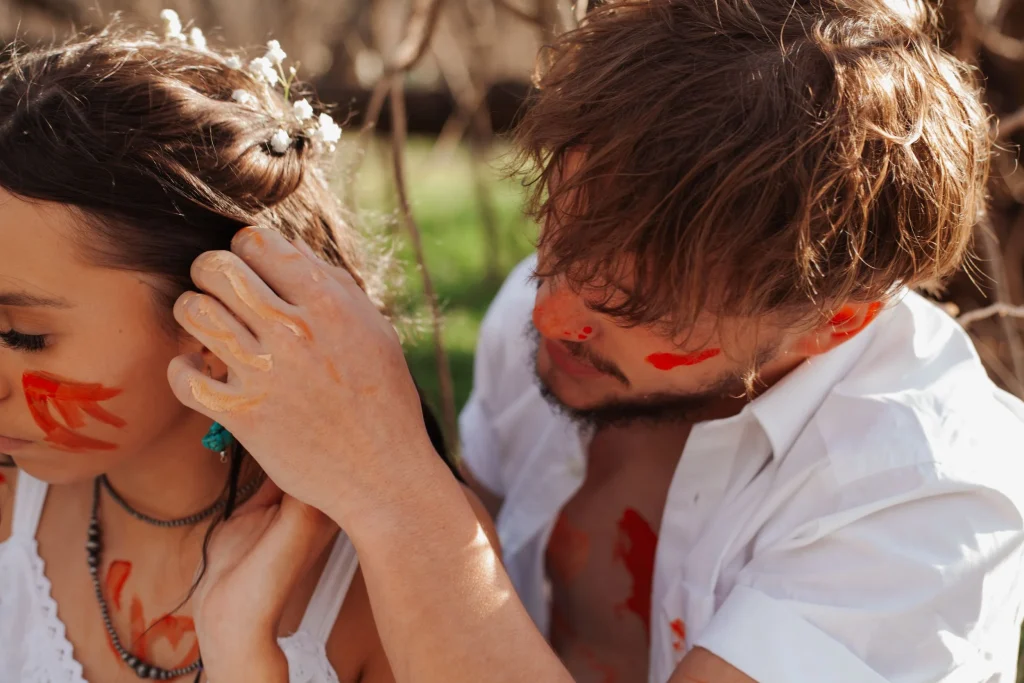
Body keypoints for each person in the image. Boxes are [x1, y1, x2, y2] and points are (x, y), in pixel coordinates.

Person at [179, 0, 1024, 681]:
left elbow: (432, 552)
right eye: (555, 248)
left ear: (833, 322)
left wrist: (395, 484)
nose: (546, 319)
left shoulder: (930, 502)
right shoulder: (550, 326)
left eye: (637, 307)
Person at [0, 14, 492, 683]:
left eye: (23, 335)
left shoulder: (415, 579)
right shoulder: (11, 507)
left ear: (217, 327)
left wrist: (246, 655)